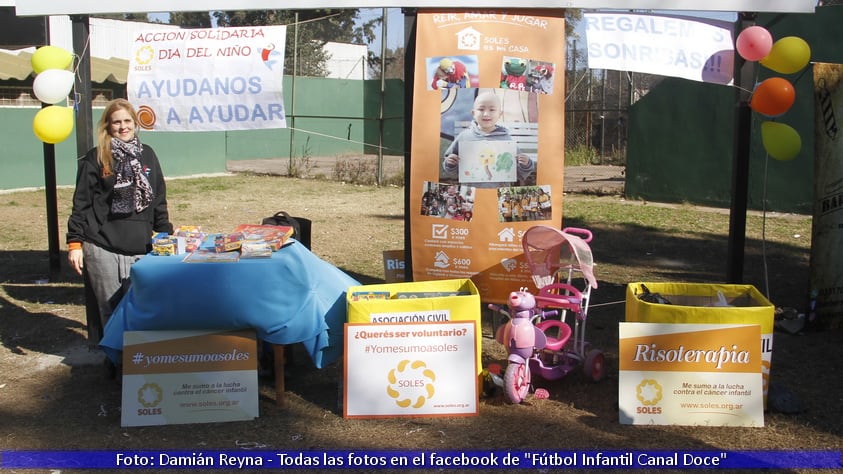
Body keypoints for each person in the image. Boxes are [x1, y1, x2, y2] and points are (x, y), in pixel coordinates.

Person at [67, 98, 173, 345]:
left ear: (135, 123)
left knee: (141, 308)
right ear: (108, 126)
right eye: (117, 122)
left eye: (127, 121)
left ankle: (139, 363)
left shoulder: (148, 155)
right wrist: (75, 243)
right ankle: (116, 364)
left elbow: (158, 197)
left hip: (141, 246)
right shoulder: (96, 158)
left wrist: (165, 232)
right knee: (111, 311)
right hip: (103, 245)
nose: (123, 127)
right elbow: (81, 202)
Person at [442, 90, 535, 188]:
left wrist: (526, 164)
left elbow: (518, 172)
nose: (486, 114)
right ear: (473, 113)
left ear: (500, 114)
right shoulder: (464, 137)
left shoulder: (507, 140)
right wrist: (450, 163)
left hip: (499, 192)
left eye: (492, 109)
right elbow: (450, 166)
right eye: (481, 109)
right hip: (472, 192)